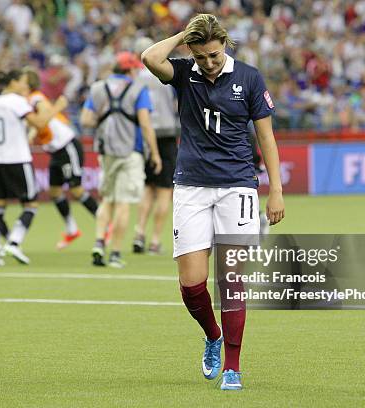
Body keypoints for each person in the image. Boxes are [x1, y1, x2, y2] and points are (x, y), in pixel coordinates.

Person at [141, 14, 285, 390]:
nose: (208, 62)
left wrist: (276, 189)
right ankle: (212, 335)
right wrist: (183, 36)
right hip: (191, 187)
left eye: (215, 55)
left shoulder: (250, 78)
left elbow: (266, 138)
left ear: (226, 45)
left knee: (232, 281)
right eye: (201, 55)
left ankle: (233, 367)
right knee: (191, 285)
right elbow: (149, 58)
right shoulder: (184, 72)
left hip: (237, 186)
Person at [80, 51, 162, 268]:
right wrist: (154, 153)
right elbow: (145, 124)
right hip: (130, 152)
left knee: (107, 199)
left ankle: (99, 242)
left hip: (106, 151)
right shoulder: (138, 89)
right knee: (123, 203)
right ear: (131, 69)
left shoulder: (98, 88)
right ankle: (115, 252)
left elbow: (85, 119)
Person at [0, 70, 67, 266]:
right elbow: (39, 124)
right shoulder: (16, 101)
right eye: (21, 82)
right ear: (12, 82)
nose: (24, 86)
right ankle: (14, 242)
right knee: (30, 205)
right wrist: (57, 108)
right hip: (17, 159)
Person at [24, 67, 98, 249]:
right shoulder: (27, 101)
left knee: (76, 190)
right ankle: (72, 230)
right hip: (55, 151)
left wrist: (35, 128)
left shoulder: (35, 98)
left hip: (67, 146)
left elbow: (43, 115)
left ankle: (105, 224)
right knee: (55, 192)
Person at [132, 37, 180, 255]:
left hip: (146, 134)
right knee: (164, 191)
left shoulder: (137, 79)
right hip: (168, 133)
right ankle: (155, 240)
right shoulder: (165, 71)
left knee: (148, 188)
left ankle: (139, 232)